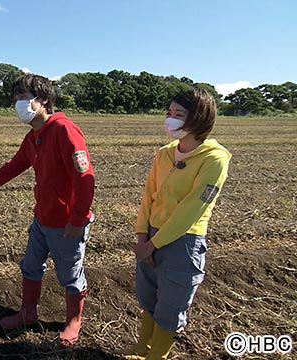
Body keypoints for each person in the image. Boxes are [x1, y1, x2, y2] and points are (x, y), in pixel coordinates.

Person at [0, 73, 95, 347]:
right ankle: (28, 313)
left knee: (70, 275)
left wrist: (77, 219)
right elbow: (14, 166)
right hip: (42, 218)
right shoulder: (34, 136)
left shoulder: (64, 130)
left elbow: (85, 178)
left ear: (43, 100)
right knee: (31, 267)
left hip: (67, 223)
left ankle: (73, 321)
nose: (18, 104)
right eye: (16, 99)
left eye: (24, 98)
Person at [125, 88, 231, 360]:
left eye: (178, 115)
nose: (170, 120)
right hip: (150, 235)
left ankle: (156, 355)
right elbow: (149, 195)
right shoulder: (165, 153)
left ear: (198, 118)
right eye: (169, 113)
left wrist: (154, 245)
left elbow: (192, 209)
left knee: (171, 303)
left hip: (183, 241)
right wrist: (141, 237)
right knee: (148, 295)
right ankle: (141, 349)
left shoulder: (215, 159)